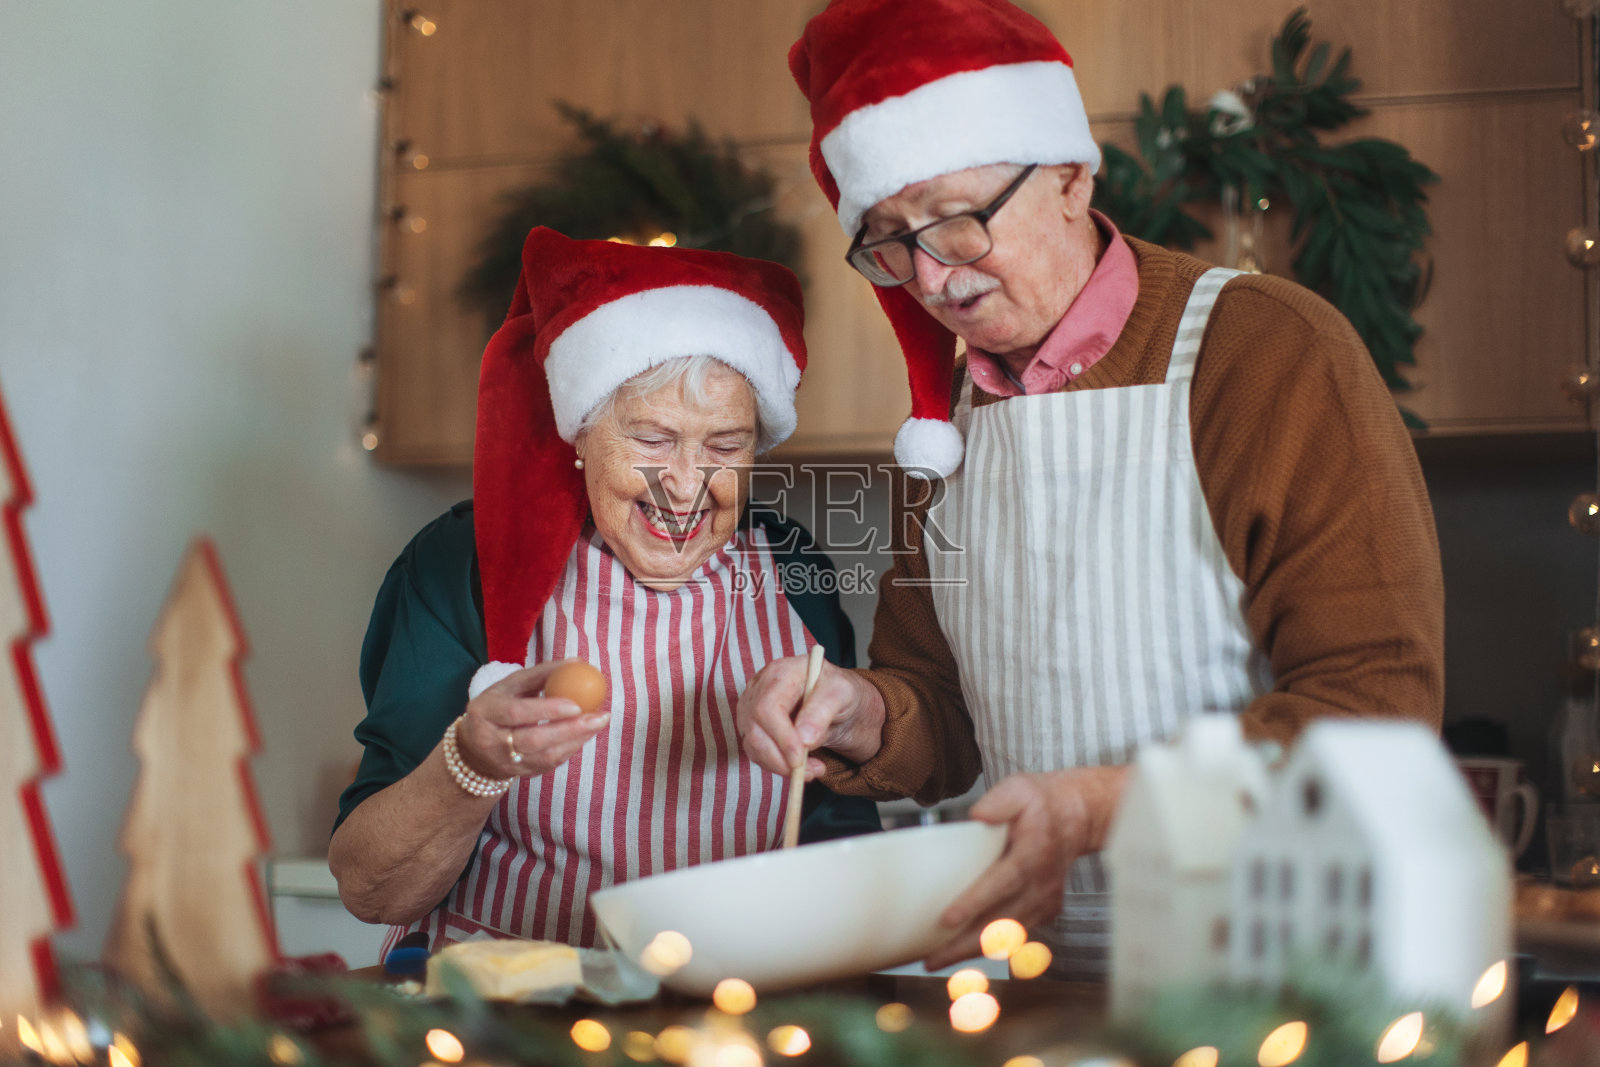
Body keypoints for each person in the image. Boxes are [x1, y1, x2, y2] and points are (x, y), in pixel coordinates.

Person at [737, 0, 1444, 978]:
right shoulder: (945, 428)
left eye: (955, 220)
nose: (931, 280)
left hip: (1272, 972)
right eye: (891, 242)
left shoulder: (1265, 352)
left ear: (1071, 175)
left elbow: (1375, 708)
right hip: (1038, 984)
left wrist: (1099, 806)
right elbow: (941, 714)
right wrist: (855, 709)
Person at [330, 227, 876, 955]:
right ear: (581, 431)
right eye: (652, 439)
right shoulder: (463, 564)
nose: (686, 485)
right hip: (498, 1016)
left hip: (718, 1014)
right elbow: (371, 888)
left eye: (725, 445)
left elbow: (836, 844)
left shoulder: (791, 569)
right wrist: (475, 762)